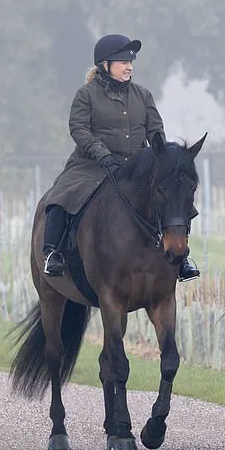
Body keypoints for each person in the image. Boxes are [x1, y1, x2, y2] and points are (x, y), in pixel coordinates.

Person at [42, 34, 200, 281]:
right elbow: (79, 129)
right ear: (104, 65)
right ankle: (53, 253)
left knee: (175, 197)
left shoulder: (143, 95)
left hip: (136, 165)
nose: (129, 67)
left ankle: (181, 259)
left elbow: (156, 131)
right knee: (62, 195)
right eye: (123, 62)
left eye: (131, 62)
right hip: (91, 165)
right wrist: (102, 154)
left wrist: (162, 158)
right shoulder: (86, 95)